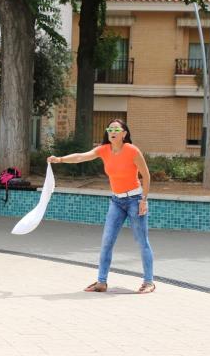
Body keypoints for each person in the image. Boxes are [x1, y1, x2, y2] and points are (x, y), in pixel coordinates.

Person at [48, 119, 155, 294]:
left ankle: (149, 281)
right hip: (116, 201)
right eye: (110, 129)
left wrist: (144, 200)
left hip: (135, 199)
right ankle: (101, 282)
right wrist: (59, 159)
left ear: (124, 133)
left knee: (142, 241)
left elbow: (146, 175)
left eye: (116, 129)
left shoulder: (132, 150)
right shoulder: (104, 150)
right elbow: (82, 156)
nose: (112, 132)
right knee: (107, 241)